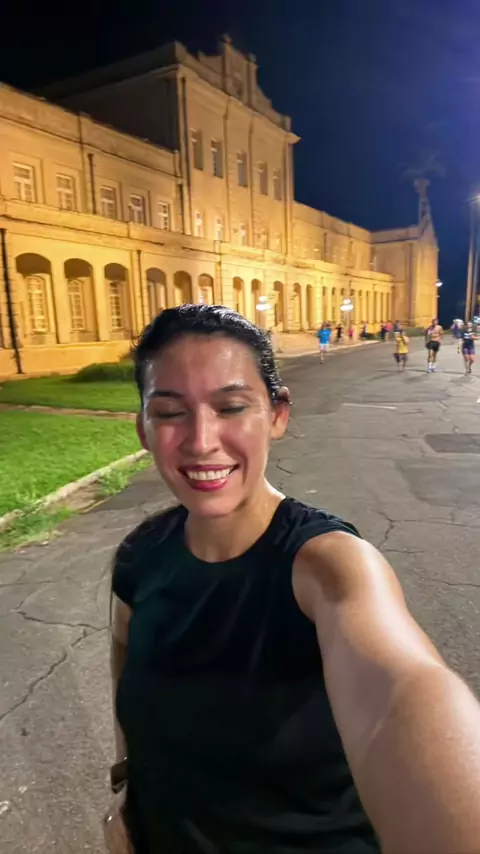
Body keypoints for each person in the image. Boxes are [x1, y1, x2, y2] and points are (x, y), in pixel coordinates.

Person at [106, 304, 480, 854]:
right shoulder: (141, 555)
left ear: (277, 414)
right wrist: (125, 787)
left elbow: (403, 692)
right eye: (169, 413)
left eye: (232, 407)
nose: (201, 440)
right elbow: (124, 667)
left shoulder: (331, 566)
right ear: (143, 428)